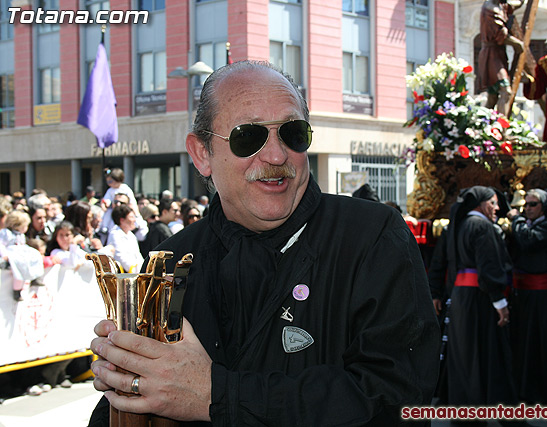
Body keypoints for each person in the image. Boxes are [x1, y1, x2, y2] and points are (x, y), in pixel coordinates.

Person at [89, 60, 440, 426]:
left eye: (292, 133)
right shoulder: (171, 260)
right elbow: (133, 401)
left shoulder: (371, 236)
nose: (276, 155)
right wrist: (123, 376)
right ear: (202, 154)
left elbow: (397, 398)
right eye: (248, 136)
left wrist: (216, 395)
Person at [435, 186, 518, 414]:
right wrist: (499, 302)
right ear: (481, 204)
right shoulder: (481, 226)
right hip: (480, 298)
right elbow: (489, 268)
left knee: (465, 355)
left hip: (461, 297)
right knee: (491, 353)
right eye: (493, 202)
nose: (498, 207)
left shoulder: (459, 225)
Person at [506, 189, 547, 404]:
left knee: (543, 343)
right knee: (523, 343)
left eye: (532, 205)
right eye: (526, 205)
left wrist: (517, 219)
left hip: (544, 296)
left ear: (544, 206)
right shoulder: (525, 223)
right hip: (524, 294)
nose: (528, 209)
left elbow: (528, 241)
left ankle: (545, 393)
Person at [477, 0, 525, 115]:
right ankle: (501, 127)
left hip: (499, 54)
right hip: (491, 56)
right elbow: (500, 35)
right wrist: (517, 44)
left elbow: (515, 5)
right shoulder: (490, 10)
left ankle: (482, 125)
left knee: (492, 97)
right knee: (505, 91)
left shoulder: (500, 5)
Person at [106, 204, 144, 274]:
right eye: (131, 217)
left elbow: (137, 255)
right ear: (122, 220)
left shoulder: (131, 235)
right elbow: (120, 257)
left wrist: (144, 269)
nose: (134, 220)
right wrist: (135, 271)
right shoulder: (115, 234)